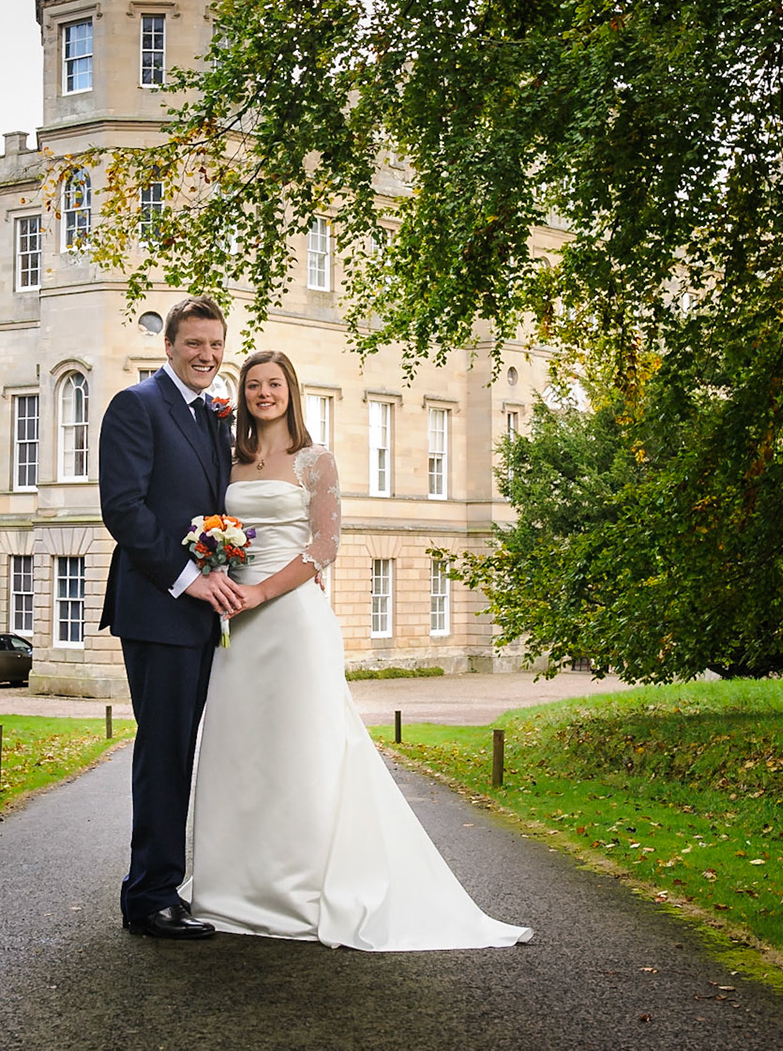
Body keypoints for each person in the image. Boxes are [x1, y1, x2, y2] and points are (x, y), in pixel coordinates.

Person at [181, 349, 533, 950]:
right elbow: (213, 524)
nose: (265, 393)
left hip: (290, 618)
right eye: (254, 385)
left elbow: (324, 546)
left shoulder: (316, 461)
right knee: (239, 749)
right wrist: (215, 566)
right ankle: (232, 885)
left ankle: (300, 888)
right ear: (242, 395)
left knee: (302, 747)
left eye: (275, 384)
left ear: (291, 390)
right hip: (235, 623)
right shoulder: (229, 458)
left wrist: (262, 589)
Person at [97, 296, 242, 940]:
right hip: (159, 610)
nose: (206, 355)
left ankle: (166, 885)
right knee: (164, 753)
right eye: (194, 344)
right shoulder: (137, 406)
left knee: (183, 749)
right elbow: (125, 511)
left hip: (204, 615)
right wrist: (192, 582)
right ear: (169, 346)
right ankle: (148, 897)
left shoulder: (213, 414)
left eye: (215, 345)